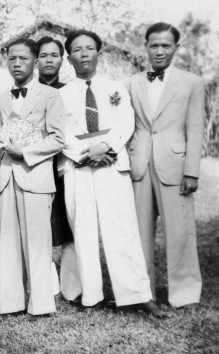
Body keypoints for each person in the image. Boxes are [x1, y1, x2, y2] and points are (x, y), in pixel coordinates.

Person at [58, 30, 170, 318]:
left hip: (110, 162)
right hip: (79, 167)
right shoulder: (61, 94)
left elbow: (125, 122)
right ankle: (92, 296)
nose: (84, 54)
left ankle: (137, 294)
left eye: (89, 48)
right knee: (83, 230)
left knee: (122, 229)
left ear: (99, 52)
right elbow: (59, 131)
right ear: (68, 57)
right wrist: (85, 153)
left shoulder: (114, 85)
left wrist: (105, 146)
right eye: (77, 50)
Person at [128, 22, 204, 310]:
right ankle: (142, 292)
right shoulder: (132, 82)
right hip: (139, 164)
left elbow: (195, 130)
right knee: (139, 231)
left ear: (176, 48)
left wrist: (192, 170)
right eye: (154, 45)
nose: (159, 51)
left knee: (180, 231)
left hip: (175, 164)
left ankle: (184, 293)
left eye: (166, 45)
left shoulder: (192, 83)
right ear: (145, 46)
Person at [0, 38, 65, 318]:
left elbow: (59, 138)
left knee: (37, 242)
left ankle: (41, 304)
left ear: (35, 62)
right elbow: (0, 136)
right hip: (8, 176)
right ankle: (12, 302)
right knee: (9, 240)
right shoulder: (2, 98)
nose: (16, 63)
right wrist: (4, 152)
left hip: (35, 175)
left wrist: (25, 152)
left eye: (23, 58)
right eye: (12, 58)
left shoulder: (50, 95)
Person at [36, 35, 72, 296]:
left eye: (54, 55)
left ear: (62, 59)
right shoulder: (27, 88)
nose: (49, 60)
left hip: (65, 163)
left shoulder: (69, 90)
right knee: (42, 221)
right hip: (36, 162)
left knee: (67, 219)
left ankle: (73, 283)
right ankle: (46, 281)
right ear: (36, 59)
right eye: (44, 55)